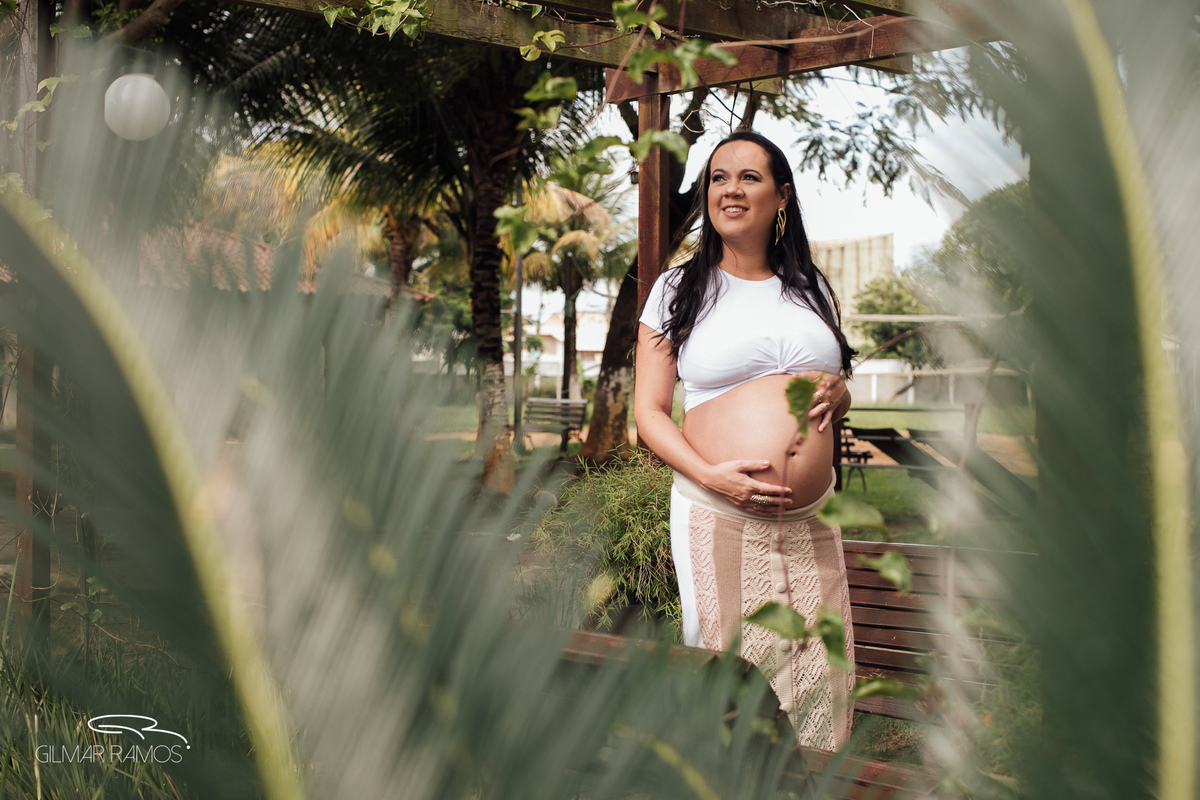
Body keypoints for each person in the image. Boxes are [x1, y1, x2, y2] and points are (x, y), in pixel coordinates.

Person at [634, 131, 857, 751]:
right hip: (718, 507)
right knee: (731, 674)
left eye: (749, 177)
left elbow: (836, 390)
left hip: (813, 517)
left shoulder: (809, 286)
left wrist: (841, 396)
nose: (730, 189)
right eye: (718, 177)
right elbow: (649, 413)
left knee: (819, 670)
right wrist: (711, 476)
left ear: (781, 195)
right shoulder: (677, 290)